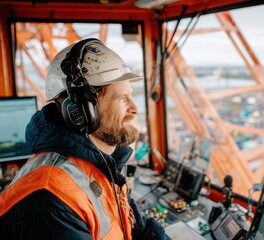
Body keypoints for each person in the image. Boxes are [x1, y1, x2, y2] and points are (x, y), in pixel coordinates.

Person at [0, 38, 169, 240]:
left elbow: (136, 227)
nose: (134, 109)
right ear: (80, 111)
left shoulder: (103, 163)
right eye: (122, 98)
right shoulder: (51, 200)